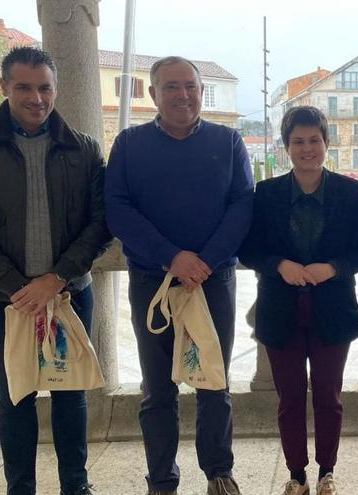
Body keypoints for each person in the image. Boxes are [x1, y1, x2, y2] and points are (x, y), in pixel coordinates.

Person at [0, 46, 110, 495]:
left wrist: (56, 279)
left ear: (55, 89)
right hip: (4, 300)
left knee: (72, 395)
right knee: (15, 397)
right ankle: (21, 488)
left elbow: (101, 223)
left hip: (70, 294)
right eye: (24, 87)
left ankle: (76, 485)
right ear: (4, 87)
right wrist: (19, 288)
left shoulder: (84, 148)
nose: (37, 98)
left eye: (45, 87)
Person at [104, 56, 253, 495]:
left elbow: (242, 204)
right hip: (153, 280)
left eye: (190, 86)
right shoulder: (129, 144)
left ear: (202, 91)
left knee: (214, 380)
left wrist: (205, 260)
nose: (182, 94)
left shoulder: (228, 141)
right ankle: (162, 478)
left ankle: (218, 472)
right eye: (171, 87)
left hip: (213, 280)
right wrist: (171, 257)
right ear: (153, 94)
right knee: (157, 388)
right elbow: (118, 208)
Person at [239, 106, 358, 495]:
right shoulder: (267, 193)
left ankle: (326, 470)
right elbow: (249, 250)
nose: (307, 148)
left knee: (329, 397)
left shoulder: (348, 191)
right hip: (281, 311)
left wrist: (333, 268)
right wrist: (279, 264)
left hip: (333, 310)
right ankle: (296, 473)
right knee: (290, 398)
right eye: (298, 141)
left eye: (314, 140)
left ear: (326, 143)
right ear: (287, 147)